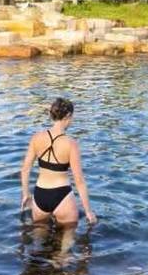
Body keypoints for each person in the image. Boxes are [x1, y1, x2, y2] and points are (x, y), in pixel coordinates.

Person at [20, 97, 97, 226]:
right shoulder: (71, 144)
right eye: (72, 117)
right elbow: (79, 180)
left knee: (38, 239)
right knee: (67, 241)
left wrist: (26, 194)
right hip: (62, 196)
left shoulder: (36, 138)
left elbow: (25, 169)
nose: (72, 121)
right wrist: (88, 211)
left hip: (40, 195)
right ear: (67, 115)